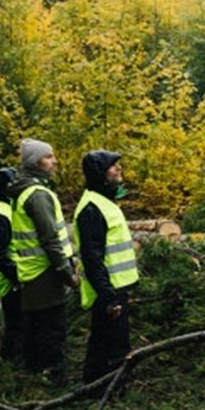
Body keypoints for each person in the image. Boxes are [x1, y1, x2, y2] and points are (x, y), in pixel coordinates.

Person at [9, 138, 76, 380]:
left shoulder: (26, 190)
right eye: (48, 157)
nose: (54, 161)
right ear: (36, 162)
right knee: (51, 326)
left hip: (32, 270)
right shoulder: (37, 194)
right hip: (45, 271)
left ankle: (33, 370)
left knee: (36, 323)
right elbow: (50, 239)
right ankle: (52, 374)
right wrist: (66, 272)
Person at [73, 150, 139, 384]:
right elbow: (92, 258)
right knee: (108, 347)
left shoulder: (103, 202)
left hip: (115, 288)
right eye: (113, 166)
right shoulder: (92, 208)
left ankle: (103, 390)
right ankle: (102, 393)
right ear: (100, 174)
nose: (118, 169)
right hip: (108, 291)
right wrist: (108, 296)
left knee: (112, 344)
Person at [0, 167, 25, 363]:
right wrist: (17, 276)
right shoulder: (1, 215)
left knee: (17, 324)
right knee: (15, 326)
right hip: (11, 281)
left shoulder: (6, 209)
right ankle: (11, 364)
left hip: (13, 277)